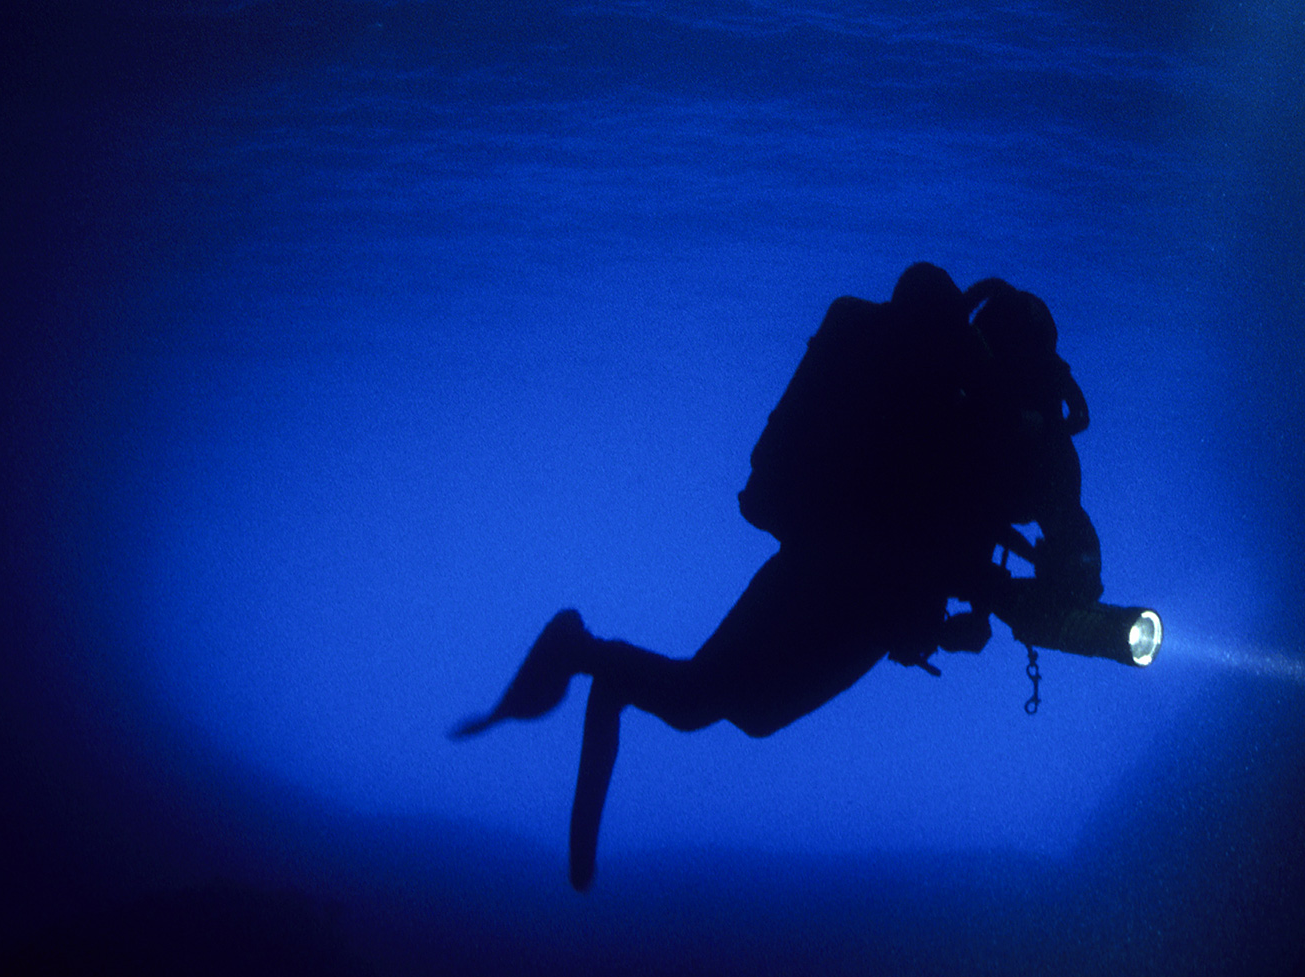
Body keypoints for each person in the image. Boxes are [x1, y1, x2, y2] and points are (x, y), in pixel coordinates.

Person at [453, 262, 1103, 888]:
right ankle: (588, 654)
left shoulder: (1021, 435)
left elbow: (1028, 538)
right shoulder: (941, 408)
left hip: (861, 598)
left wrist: (1048, 586)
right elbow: (903, 530)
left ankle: (596, 660)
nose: (1027, 403)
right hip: (826, 574)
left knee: (736, 710)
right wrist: (946, 609)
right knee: (700, 703)